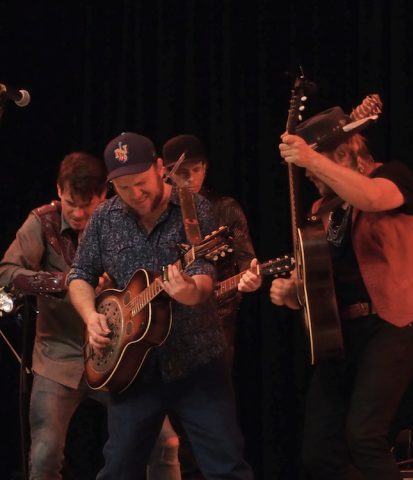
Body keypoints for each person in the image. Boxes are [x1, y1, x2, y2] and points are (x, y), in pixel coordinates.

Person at [68, 132, 260, 479]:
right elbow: (80, 273)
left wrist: (190, 292)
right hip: (132, 368)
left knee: (225, 466)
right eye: (124, 187)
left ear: (160, 168)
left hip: (197, 360)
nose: (135, 193)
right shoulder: (104, 218)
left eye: (141, 182)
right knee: (119, 468)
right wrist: (90, 315)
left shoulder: (193, 207)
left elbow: (202, 272)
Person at [271, 106, 413, 479]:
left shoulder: (392, 176)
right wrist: (290, 292)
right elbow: (314, 286)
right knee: (319, 450)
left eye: (314, 170)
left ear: (344, 155)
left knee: (364, 436)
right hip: (342, 335)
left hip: (394, 322)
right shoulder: (322, 210)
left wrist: (313, 158)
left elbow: (371, 198)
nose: (311, 178)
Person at [0, 151, 181, 480]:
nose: (79, 214)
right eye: (70, 204)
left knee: (164, 443)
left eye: (87, 205)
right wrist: (66, 281)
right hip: (59, 355)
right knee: (45, 454)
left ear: (104, 195)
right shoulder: (43, 221)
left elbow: (147, 274)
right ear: (58, 190)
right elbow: (5, 273)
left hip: (116, 354)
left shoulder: (125, 221)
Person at [162, 134, 256, 368]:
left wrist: (251, 276)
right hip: (165, 320)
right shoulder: (158, 214)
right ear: (167, 174)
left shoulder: (225, 208)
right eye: (183, 173)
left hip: (217, 316)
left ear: (205, 167)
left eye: (197, 169)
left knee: (212, 391)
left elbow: (246, 259)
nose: (192, 178)